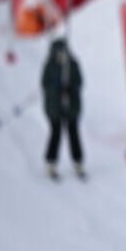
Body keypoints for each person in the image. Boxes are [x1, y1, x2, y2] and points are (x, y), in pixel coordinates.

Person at [40, 38, 85, 179]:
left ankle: (78, 163)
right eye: (59, 53)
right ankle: (51, 163)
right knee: (56, 133)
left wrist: (70, 89)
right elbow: (45, 84)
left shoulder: (72, 64)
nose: (61, 56)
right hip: (55, 108)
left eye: (63, 53)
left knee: (73, 134)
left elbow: (79, 81)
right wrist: (56, 89)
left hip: (71, 106)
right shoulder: (50, 66)